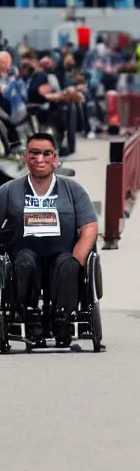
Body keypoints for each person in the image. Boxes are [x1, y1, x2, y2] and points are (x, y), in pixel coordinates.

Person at [0, 132, 98, 345]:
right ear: (26, 157)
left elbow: (90, 225)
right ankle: (29, 314)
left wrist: (78, 259)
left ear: (56, 158)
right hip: (24, 254)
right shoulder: (9, 191)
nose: (40, 159)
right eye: (34, 153)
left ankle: (62, 318)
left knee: (67, 265)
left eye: (46, 154)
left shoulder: (73, 190)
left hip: (62, 253)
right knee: (24, 263)